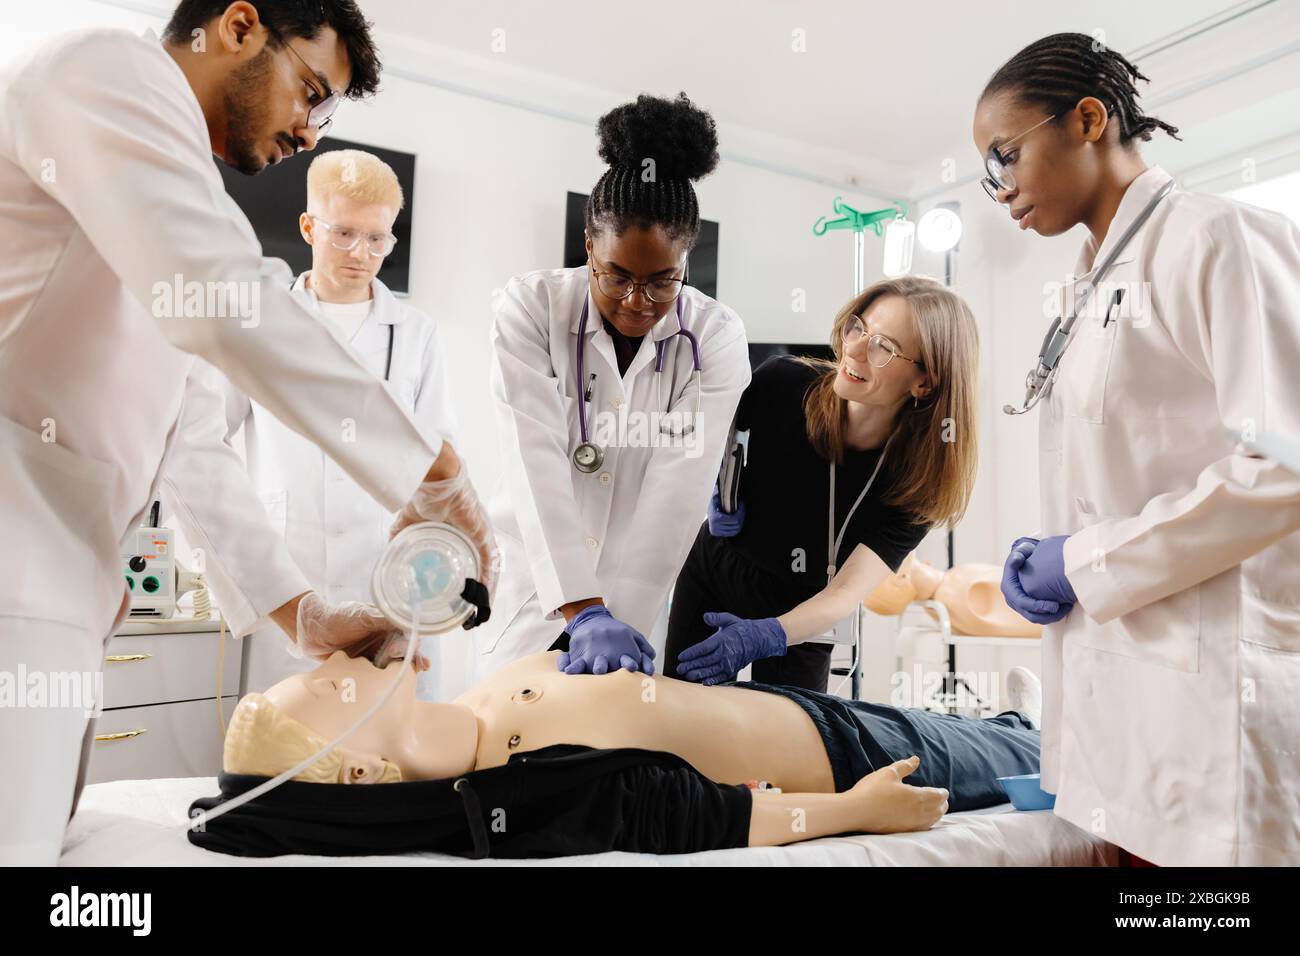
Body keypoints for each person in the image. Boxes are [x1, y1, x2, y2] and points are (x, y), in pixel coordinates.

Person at [0, 1, 492, 865]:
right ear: (238, 26)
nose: (309, 131)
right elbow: (228, 301)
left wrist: (302, 614)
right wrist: (431, 469)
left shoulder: (173, 190)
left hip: (59, 589)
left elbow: (188, 440)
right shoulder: (105, 72)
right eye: (312, 91)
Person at [978, 32, 1300, 866]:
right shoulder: (1090, 286)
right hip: (1126, 708)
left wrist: (1083, 559)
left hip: (1214, 701)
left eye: (1006, 154)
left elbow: (1285, 468)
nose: (1000, 186)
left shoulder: (1218, 239)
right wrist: (1059, 556)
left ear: (1088, 119)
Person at [191, 648, 1043, 858]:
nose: (336, 663)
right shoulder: (510, 790)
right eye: (334, 688)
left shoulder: (469, 707)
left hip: (802, 707)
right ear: (363, 772)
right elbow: (694, 816)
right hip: (852, 755)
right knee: (1041, 747)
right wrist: (857, 812)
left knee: (1011, 727)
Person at [467, 93, 751, 684]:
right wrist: (580, 606)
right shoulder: (532, 307)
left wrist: (615, 619)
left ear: (687, 259)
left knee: (604, 744)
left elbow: (677, 492)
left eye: (661, 283)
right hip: (531, 587)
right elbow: (533, 456)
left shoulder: (715, 339)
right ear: (590, 245)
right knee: (504, 739)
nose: (636, 302)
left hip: (632, 594)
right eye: (617, 276)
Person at [164, 148, 462, 692]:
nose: (361, 253)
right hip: (292, 577)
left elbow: (436, 464)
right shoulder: (258, 320)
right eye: (344, 233)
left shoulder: (416, 333)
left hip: (390, 580)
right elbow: (198, 437)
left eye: (378, 239)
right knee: (288, 749)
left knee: (395, 758)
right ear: (308, 227)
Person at [665, 277, 979, 691]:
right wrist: (714, 494)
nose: (854, 349)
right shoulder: (780, 383)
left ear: (925, 382)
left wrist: (768, 635)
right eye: (858, 328)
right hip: (718, 565)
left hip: (807, 609)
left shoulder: (919, 482)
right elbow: (708, 445)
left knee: (789, 745)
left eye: (883, 347)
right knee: (679, 711)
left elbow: (846, 592)